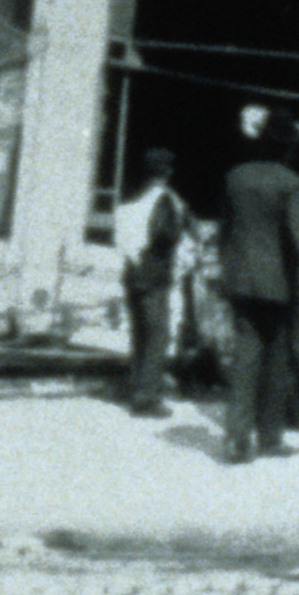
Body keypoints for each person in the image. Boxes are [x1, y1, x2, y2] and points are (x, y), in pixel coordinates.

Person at [216, 109, 299, 463]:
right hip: (277, 286)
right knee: (278, 360)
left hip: (240, 282)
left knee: (245, 357)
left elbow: (224, 231)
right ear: (287, 149)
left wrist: (228, 272)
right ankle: (269, 438)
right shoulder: (290, 183)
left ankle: (237, 440)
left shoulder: (235, 177)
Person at [112, 148, 186, 417]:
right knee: (158, 335)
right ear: (166, 172)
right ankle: (147, 398)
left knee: (139, 333)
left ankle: (136, 387)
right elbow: (164, 234)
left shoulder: (131, 196)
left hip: (131, 271)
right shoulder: (164, 199)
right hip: (153, 272)